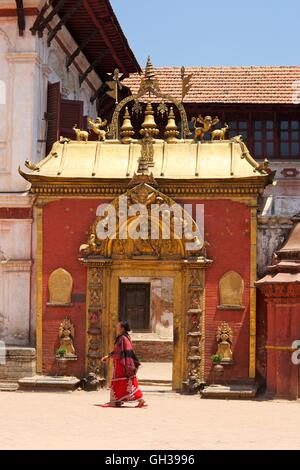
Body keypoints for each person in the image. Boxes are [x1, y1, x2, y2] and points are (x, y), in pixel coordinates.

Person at [100, 320, 147, 408]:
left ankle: (113, 401)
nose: (116, 327)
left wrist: (127, 365)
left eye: (118, 326)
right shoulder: (123, 337)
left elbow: (126, 352)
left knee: (118, 383)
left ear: (122, 328)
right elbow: (118, 351)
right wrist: (108, 356)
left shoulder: (123, 338)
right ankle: (140, 400)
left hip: (122, 365)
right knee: (127, 383)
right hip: (121, 364)